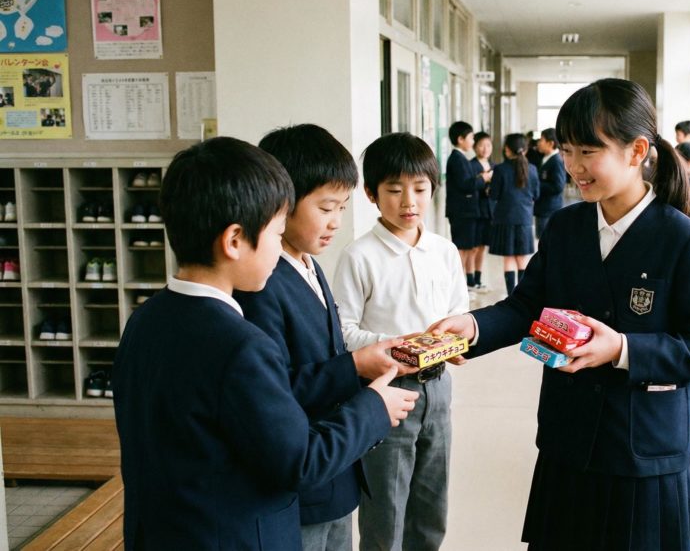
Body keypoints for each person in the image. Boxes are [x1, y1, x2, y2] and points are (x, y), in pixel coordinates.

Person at [430, 78, 690, 550]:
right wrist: (471, 326)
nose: (573, 167)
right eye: (567, 151)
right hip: (568, 439)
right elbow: (527, 306)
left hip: (642, 449)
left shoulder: (685, 239)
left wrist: (623, 349)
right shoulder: (566, 227)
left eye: (588, 152)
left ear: (636, 151)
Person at [113, 137, 418, 550]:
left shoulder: (145, 320)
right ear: (234, 240)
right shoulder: (239, 345)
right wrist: (374, 407)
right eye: (276, 234)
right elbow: (298, 462)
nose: (280, 250)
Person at [234, 124, 410, 551]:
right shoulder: (262, 283)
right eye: (326, 207)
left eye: (343, 207)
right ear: (281, 203)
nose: (336, 222)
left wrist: (367, 359)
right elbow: (276, 389)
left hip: (336, 472)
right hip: (302, 485)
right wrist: (355, 366)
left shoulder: (308, 262)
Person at [333, 132, 470, 551]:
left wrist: (455, 342)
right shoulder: (360, 256)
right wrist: (397, 345)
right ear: (372, 194)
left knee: (432, 503)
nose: (408, 201)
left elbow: (458, 312)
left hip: (439, 388)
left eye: (420, 188)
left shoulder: (444, 251)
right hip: (387, 391)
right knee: (386, 509)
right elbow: (343, 329)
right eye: (394, 190)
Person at [488, 133, 539, 296]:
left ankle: (512, 295)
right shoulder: (532, 169)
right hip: (524, 218)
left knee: (509, 257)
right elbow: (536, 194)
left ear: (507, 149)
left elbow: (494, 195)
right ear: (525, 149)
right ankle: (523, 295)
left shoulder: (501, 169)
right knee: (522, 258)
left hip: (505, 218)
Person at [444, 121, 489, 294]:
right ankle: (456, 288)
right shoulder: (457, 158)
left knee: (468, 248)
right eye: (470, 137)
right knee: (461, 249)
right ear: (460, 139)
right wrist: (483, 179)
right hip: (462, 211)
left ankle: (465, 284)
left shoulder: (461, 157)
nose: (472, 141)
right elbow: (465, 184)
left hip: (467, 211)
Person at [471, 131, 495, 292]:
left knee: (482, 247)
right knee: (474, 246)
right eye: (481, 145)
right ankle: (470, 279)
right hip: (477, 210)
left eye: (488, 145)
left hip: (490, 211)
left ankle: (478, 278)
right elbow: (470, 187)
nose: (485, 149)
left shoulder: (493, 165)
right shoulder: (471, 165)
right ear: (474, 147)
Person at [534, 127, 566, 239]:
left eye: (541, 140)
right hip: (543, 207)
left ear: (550, 143)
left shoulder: (556, 161)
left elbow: (558, 186)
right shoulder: (546, 158)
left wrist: (537, 185)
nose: (539, 143)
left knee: (546, 241)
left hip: (549, 208)